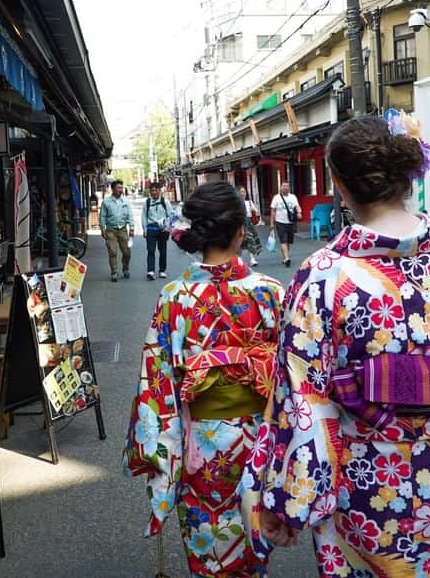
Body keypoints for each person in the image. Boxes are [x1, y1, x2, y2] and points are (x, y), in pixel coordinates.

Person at [243, 111, 430, 577]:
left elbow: (302, 399)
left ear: (338, 181)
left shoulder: (322, 273)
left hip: (366, 477)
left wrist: (291, 498)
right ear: (406, 173)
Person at [124, 181, 284, 578]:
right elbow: (293, 383)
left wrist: (158, 452)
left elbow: (156, 384)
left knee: (209, 549)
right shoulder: (271, 294)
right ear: (241, 232)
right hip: (260, 443)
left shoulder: (174, 298)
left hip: (200, 448)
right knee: (252, 545)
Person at [100, 179, 134, 282]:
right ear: (113, 189)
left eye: (121, 188)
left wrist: (132, 228)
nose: (121, 190)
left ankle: (125, 268)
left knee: (127, 252)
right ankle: (114, 272)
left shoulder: (126, 202)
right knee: (112, 252)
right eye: (118, 188)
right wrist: (102, 228)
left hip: (123, 230)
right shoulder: (106, 202)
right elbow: (102, 216)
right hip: (110, 230)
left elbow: (130, 216)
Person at [141, 182, 172, 281]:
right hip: (151, 229)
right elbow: (144, 217)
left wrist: (168, 227)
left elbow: (171, 216)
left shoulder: (165, 202)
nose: (154, 192)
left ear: (159, 191)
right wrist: (145, 230)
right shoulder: (147, 202)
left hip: (163, 230)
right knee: (151, 250)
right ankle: (151, 271)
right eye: (152, 190)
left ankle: (162, 270)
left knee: (162, 251)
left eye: (156, 190)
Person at [270, 181, 301, 267]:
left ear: (289, 188)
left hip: (290, 222)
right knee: (283, 240)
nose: (285, 188)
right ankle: (287, 258)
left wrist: (299, 212)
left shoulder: (293, 197)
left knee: (288, 242)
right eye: (283, 186)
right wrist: (272, 223)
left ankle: (284, 257)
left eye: (287, 186)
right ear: (280, 187)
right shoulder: (276, 198)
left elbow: (297, 206)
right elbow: (273, 211)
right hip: (280, 222)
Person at [239, 186, 262, 267]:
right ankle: (239, 260)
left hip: (248, 223)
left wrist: (254, 209)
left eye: (244, 192)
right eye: (241, 192)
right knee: (239, 242)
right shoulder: (235, 202)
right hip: (239, 224)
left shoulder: (249, 202)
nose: (242, 193)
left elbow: (257, 211)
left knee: (250, 240)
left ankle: (252, 259)